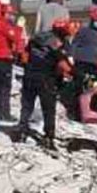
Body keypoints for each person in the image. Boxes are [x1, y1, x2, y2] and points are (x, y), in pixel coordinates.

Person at [14, 19, 74, 149]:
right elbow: (64, 65)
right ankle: (48, 138)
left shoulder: (37, 37)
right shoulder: (59, 43)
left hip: (29, 75)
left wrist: (29, 66)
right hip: (46, 79)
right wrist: (74, 74)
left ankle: (21, 132)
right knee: (48, 109)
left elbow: (25, 54)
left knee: (27, 106)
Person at [66, 8, 97, 121]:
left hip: (94, 66)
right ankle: (75, 113)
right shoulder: (83, 31)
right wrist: (70, 56)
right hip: (81, 63)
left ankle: (91, 111)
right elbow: (74, 44)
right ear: (92, 20)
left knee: (94, 88)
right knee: (79, 87)